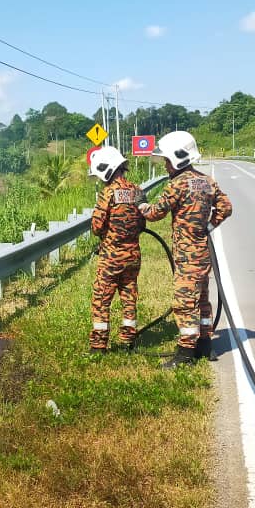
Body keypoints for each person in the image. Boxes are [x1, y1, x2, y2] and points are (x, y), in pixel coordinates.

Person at [138, 131, 232, 367]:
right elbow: (226, 207)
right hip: (203, 253)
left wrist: (140, 203)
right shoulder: (207, 181)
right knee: (201, 300)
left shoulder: (177, 185)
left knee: (184, 302)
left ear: (178, 158)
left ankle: (185, 354)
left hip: (187, 255)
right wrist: (208, 226)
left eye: (167, 161)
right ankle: (205, 345)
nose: (166, 166)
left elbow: (154, 213)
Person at [87, 145, 145, 353]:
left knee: (102, 298)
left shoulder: (108, 193)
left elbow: (96, 227)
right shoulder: (138, 191)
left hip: (111, 257)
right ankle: (128, 341)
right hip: (133, 256)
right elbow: (143, 222)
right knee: (129, 296)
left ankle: (98, 345)